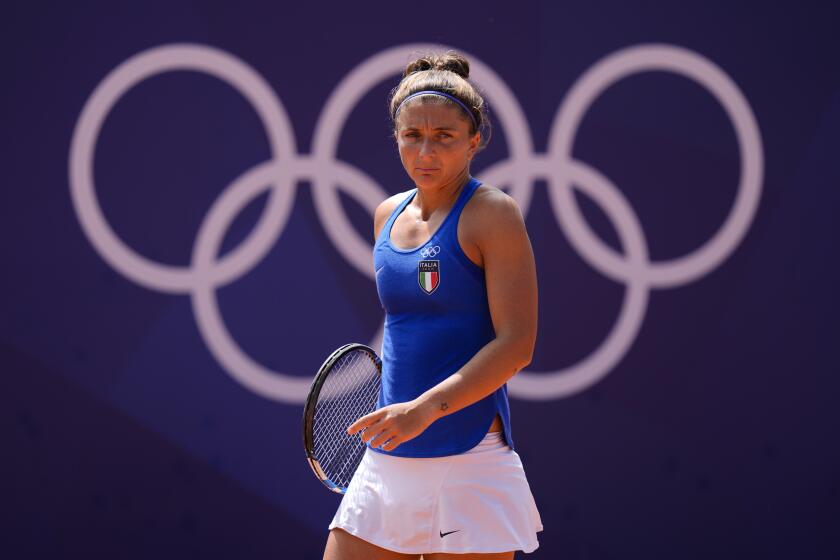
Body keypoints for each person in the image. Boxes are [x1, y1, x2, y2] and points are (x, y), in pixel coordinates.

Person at [324, 51, 542, 560]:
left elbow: (517, 346)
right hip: (390, 452)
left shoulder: (492, 213)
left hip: (468, 460)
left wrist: (424, 410)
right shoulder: (386, 214)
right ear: (396, 137)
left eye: (443, 136)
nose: (425, 151)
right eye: (412, 136)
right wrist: (408, 418)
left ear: (474, 141)